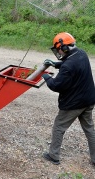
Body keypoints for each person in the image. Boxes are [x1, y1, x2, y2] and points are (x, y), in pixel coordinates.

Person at [41, 32, 95, 166]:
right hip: (88, 100)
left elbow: (56, 85)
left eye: (58, 49)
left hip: (74, 104)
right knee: (89, 129)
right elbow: (70, 63)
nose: (58, 52)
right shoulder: (81, 54)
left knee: (59, 127)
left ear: (64, 48)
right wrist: (55, 64)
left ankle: (53, 156)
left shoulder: (68, 66)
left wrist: (46, 76)